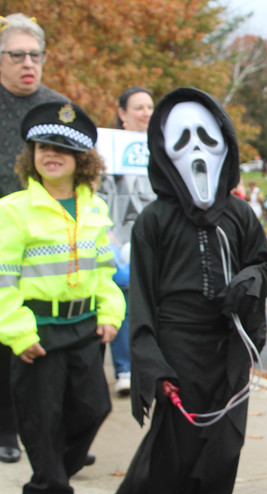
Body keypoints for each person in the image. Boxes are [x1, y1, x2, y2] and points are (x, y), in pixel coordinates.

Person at [104, 87, 267, 494]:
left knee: (221, 455)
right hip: (177, 355)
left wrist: (252, 280)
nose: (196, 150)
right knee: (173, 459)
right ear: (163, 149)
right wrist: (152, 366)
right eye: (182, 139)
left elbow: (263, 263)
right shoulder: (153, 221)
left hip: (229, 353)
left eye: (205, 137)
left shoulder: (239, 215)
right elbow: (139, 299)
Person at [0, 101, 125, 494]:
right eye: (42, 147)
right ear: (31, 156)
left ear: (81, 160)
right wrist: (17, 332)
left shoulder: (93, 208)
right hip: (37, 331)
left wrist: (111, 313)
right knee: (42, 419)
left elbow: (105, 272)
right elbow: (2, 279)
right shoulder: (14, 210)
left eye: (62, 149)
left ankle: (52, 475)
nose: (50, 155)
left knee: (93, 408)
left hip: (85, 328)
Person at [0, 12, 68, 465]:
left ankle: (49, 438)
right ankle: (6, 429)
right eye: (17, 54)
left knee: (46, 343)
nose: (28, 63)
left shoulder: (57, 108)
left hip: (45, 241)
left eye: (36, 55)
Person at [97, 86, 156, 397]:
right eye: (138, 107)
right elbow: (101, 194)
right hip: (119, 240)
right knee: (122, 299)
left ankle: (152, 366)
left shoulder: (163, 146)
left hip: (156, 240)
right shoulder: (106, 148)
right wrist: (108, 235)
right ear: (122, 113)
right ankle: (125, 368)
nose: (146, 112)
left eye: (150, 106)